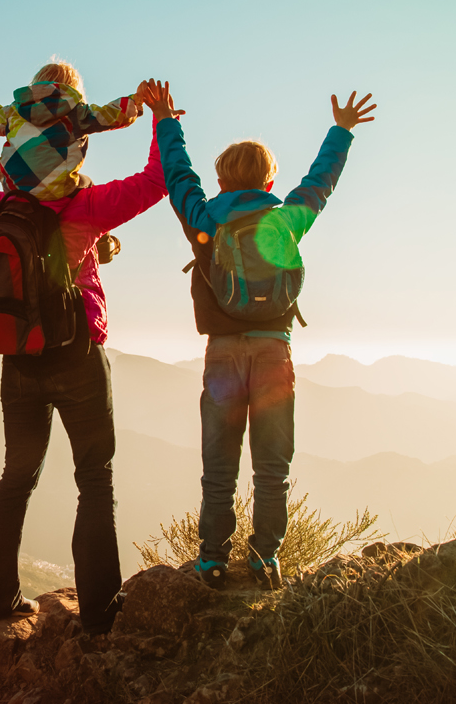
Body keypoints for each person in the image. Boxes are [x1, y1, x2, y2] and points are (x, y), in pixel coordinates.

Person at [0, 92, 166, 635]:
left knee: (16, 475)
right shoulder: (86, 207)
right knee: (94, 478)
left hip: (19, 358)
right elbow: (156, 181)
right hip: (77, 357)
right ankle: (97, 613)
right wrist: (162, 120)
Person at [143, 79, 376, 589]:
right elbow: (320, 183)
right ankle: (265, 559)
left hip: (223, 355)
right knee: (272, 468)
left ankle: (211, 559)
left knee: (219, 469)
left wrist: (165, 119)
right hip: (274, 352)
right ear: (270, 178)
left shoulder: (204, 220)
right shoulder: (286, 219)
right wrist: (341, 131)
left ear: (223, 179)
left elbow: (179, 177)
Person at [0, 58, 143, 202]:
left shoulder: (14, 111)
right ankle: (103, 240)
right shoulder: (76, 112)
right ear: (73, 89)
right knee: (87, 185)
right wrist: (136, 101)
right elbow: (111, 114)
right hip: (57, 191)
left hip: (13, 188)